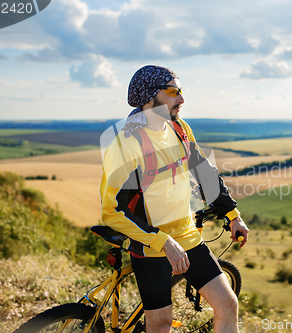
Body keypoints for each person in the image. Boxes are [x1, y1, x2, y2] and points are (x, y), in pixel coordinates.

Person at [100, 65, 249, 333]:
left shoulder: (180, 129)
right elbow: (112, 211)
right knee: (161, 325)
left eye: (180, 91)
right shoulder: (127, 145)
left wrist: (232, 215)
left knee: (228, 305)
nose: (181, 99)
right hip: (151, 245)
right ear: (148, 97)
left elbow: (204, 172)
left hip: (187, 236)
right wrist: (163, 241)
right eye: (172, 92)